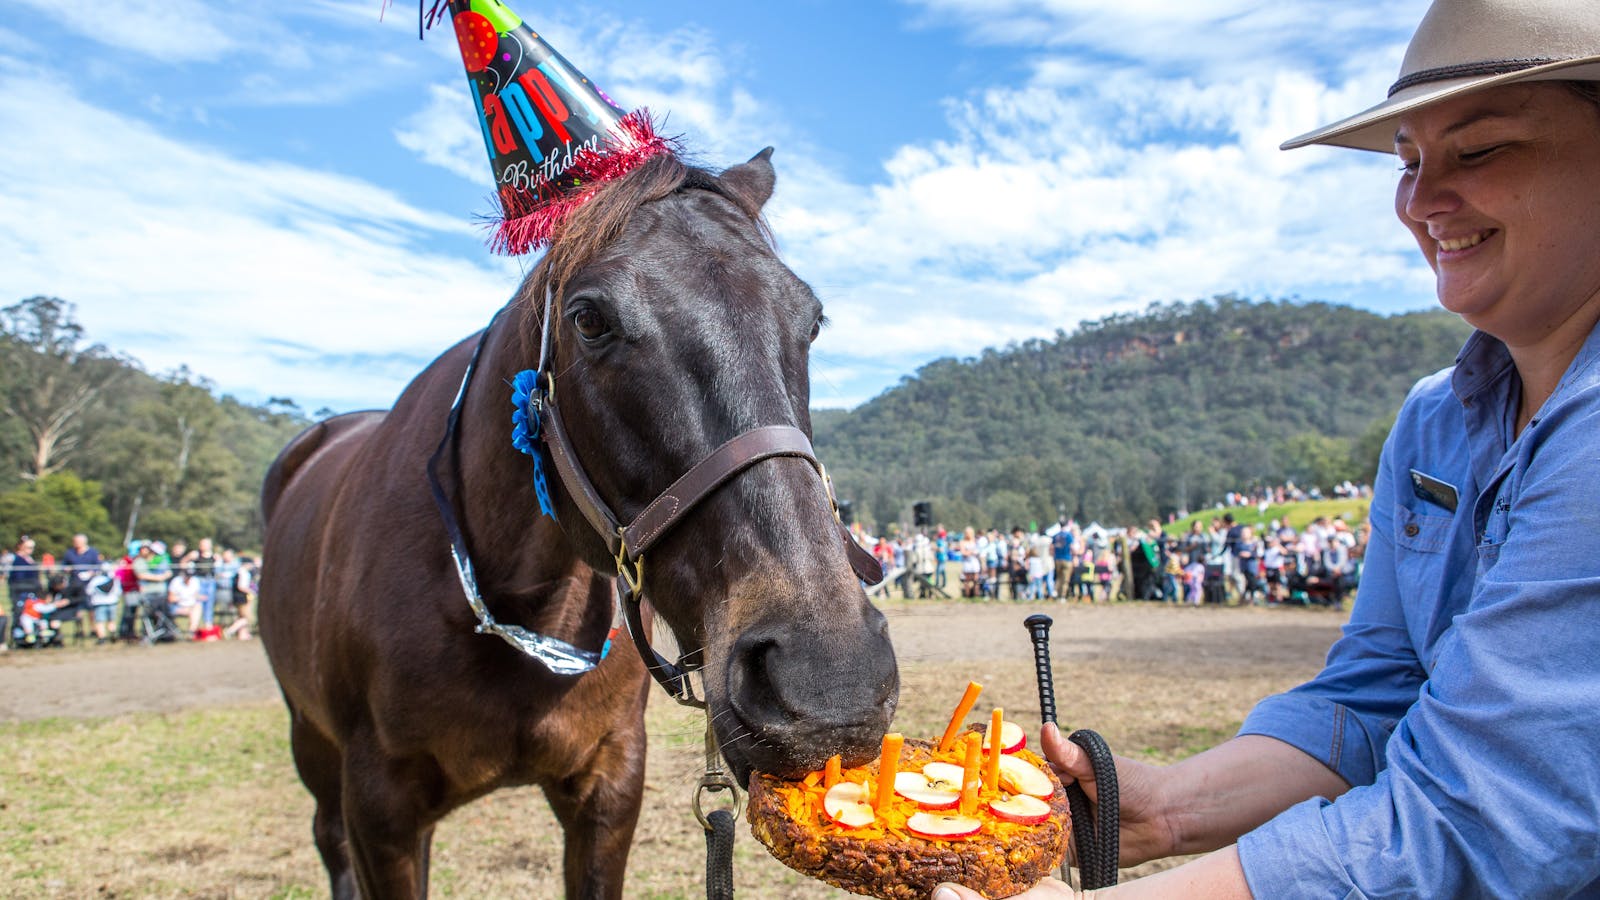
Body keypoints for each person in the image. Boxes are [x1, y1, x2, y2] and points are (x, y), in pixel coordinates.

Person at [936, 1, 1600, 896]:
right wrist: (1167, 805)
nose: (1420, 199)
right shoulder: (1432, 421)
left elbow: (1484, 817)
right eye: (1408, 160)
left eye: (1479, 150)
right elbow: (1376, 697)